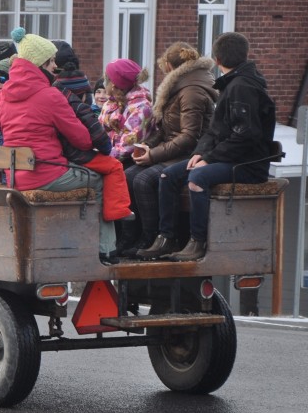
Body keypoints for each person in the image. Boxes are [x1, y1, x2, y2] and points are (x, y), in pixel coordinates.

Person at [0, 28, 117, 262]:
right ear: (39, 63)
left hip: (14, 177)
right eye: (51, 62)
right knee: (100, 180)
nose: (54, 67)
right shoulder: (50, 96)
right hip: (48, 175)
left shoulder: (1, 96)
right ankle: (105, 249)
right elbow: (82, 139)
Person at [151, 32, 276, 262]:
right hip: (227, 158)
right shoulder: (230, 85)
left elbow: (246, 136)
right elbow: (213, 131)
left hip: (247, 164)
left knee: (198, 178)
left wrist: (209, 158)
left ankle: (198, 242)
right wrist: (200, 152)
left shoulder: (242, 87)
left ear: (217, 59)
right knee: (167, 175)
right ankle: (167, 238)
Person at [114, 43, 218, 259]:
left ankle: (157, 237)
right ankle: (137, 235)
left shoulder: (191, 91)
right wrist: (147, 146)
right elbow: (164, 129)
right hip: (171, 151)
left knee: (143, 180)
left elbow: (190, 138)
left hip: (186, 155)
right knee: (127, 176)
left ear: (170, 67)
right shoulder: (180, 87)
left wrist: (154, 155)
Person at [53, 50, 134, 261]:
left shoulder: (54, 106)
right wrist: (106, 149)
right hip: (81, 156)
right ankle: (119, 211)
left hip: (64, 156)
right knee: (114, 167)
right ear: (83, 93)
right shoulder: (81, 108)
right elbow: (99, 139)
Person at [98, 58, 156, 168]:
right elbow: (99, 129)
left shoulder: (141, 108)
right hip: (107, 154)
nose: (103, 83)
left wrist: (100, 159)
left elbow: (127, 146)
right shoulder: (111, 101)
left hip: (128, 160)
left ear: (114, 85)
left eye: (106, 79)